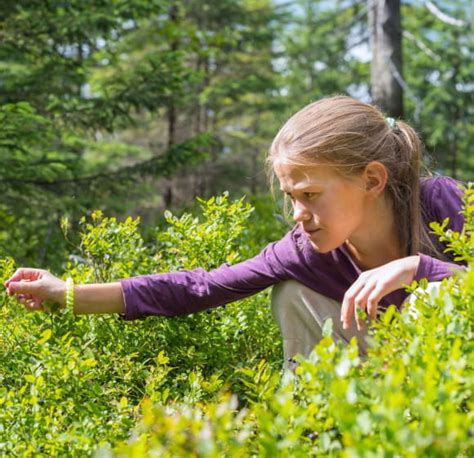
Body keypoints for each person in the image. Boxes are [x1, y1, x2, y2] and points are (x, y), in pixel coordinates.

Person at [4, 96, 466, 367]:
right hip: (382, 376)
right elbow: (198, 287)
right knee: (291, 292)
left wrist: (419, 268)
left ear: (371, 181)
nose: (297, 214)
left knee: (435, 293)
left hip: (454, 377)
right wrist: (65, 293)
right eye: (290, 197)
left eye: (309, 195)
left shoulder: (444, 205)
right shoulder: (305, 252)